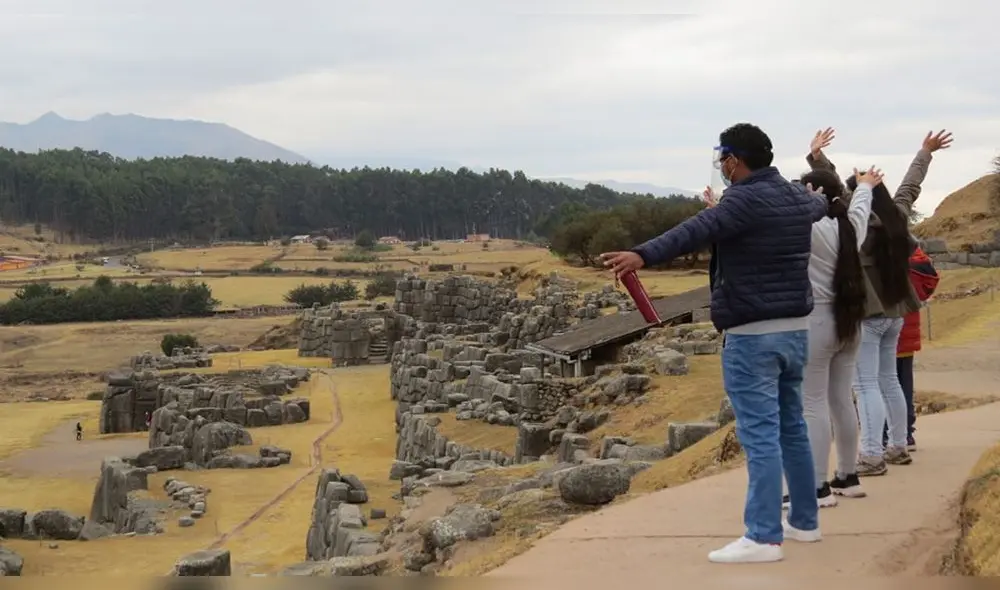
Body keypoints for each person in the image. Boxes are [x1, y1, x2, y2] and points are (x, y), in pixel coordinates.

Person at [602, 123, 827, 564]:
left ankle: (762, 537)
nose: (721, 167)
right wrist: (825, 175)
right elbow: (823, 201)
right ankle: (804, 522)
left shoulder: (742, 199)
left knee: (761, 435)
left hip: (751, 337)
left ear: (733, 161)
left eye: (722, 158)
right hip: (796, 331)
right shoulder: (796, 196)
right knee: (792, 429)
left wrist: (642, 254)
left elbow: (694, 229)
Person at [807, 129, 953, 476]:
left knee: (866, 384)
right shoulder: (897, 215)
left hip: (868, 313)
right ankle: (898, 445)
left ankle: (872, 454)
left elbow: (838, 193)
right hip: (898, 311)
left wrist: (817, 159)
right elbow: (909, 187)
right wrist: (925, 153)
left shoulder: (856, 223)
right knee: (889, 380)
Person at [883, 246, 939, 452]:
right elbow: (926, 283)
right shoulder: (916, 256)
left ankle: (887, 434)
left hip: (883, 326)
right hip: (908, 327)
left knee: (883, 383)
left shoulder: (881, 250)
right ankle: (906, 433)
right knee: (903, 382)